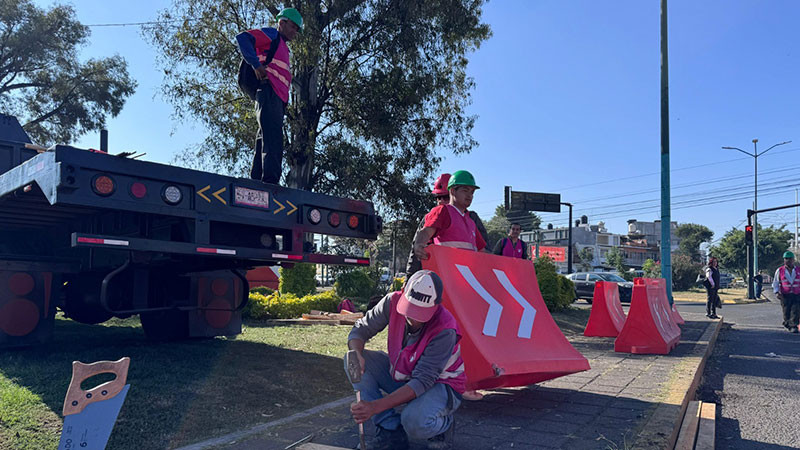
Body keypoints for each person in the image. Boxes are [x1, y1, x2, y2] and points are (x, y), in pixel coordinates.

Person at [346, 270, 464, 450]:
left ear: (436, 306)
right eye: (410, 310)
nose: (413, 319)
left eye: (421, 313)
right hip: (406, 374)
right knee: (351, 359)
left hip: (442, 385)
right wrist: (356, 353)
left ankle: (443, 424)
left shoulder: (445, 329)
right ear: (404, 291)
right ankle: (390, 430)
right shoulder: (392, 301)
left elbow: (423, 381)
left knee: (414, 421)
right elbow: (360, 330)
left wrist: (374, 407)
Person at [236, 8, 302, 184]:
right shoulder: (272, 35)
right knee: (273, 139)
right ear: (282, 22)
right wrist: (256, 65)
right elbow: (243, 38)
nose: (295, 32)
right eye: (293, 26)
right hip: (268, 92)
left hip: (277, 99)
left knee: (264, 138)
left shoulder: (284, 48)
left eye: (297, 29)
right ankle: (271, 183)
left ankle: (257, 181)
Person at [406, 173, 488, 277]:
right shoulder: (441, 211)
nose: (469, 195)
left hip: (466, 279)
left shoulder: (471, 221)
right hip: (446, 277)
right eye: (465, 190)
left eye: (472, 192)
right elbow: (425, 233)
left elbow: (483, 252)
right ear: (452, 191)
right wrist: (419, 244)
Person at [772, 251, 800, 333]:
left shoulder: (798, 270)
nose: (788, 260)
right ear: (784, 260)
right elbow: (776, 282)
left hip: (797, 294)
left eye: (790, 259)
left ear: (793, 260)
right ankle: (787, 323)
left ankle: (794, 325)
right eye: (786, 259)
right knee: (786, 311)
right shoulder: (780, 270)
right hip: (785, 295)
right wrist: (777, 292)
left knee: (796, 310)